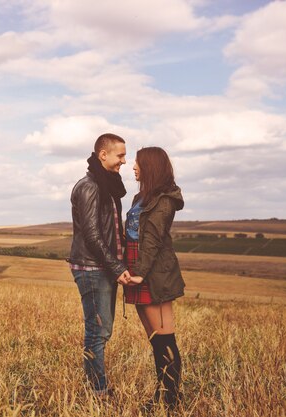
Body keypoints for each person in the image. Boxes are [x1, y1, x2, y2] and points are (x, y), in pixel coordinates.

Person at [67, 133, 132, 395]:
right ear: (103, 154)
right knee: (98, 331)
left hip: (102, 268)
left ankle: (96, 386)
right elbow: (93, 236)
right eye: (120, 155)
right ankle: (97, 392)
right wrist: (118, 269)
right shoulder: (90, 186)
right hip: (93, 268)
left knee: (102, 330)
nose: (124, 161)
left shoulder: (106, 185)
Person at [125, 147, 185, 411]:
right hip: (139, 267)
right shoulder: (142, 196)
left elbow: (152, 240)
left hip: (153, 272)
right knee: (154, 339)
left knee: (164, 340)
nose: (133, 167)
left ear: (149, 166)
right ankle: (161, 395)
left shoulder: (163, 199)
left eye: (137, 163)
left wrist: (139, 273)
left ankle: (170, 401)